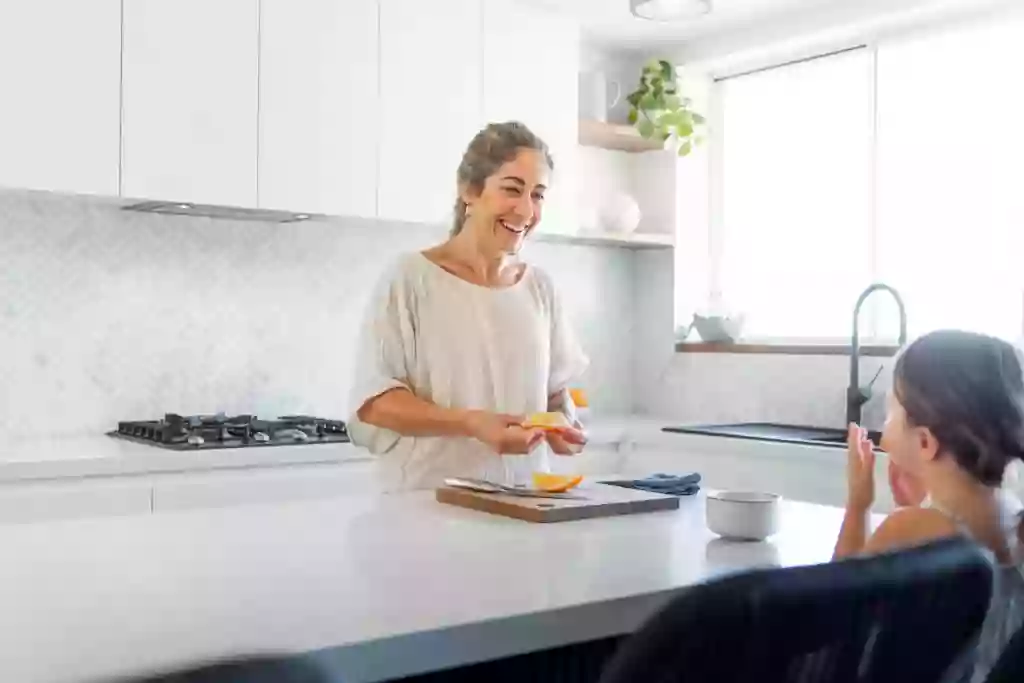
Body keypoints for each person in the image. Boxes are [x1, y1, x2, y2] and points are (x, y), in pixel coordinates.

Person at [347, 121, 589, 492]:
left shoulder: (539, 287)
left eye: (538, 195)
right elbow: (376, 403)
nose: (526, 210)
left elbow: (556, 392)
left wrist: (561, 422)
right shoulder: (411, 278)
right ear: (469, 191)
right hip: (427, 504)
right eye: (512, 189)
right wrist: (471, 423)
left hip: (522, 500)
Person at [834, 329, 1024, 682]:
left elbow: (831, 615)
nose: (882, 427)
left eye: (890, 411)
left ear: (924, 442)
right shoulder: (1015, 517)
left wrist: (859, 504)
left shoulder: (913, 528)